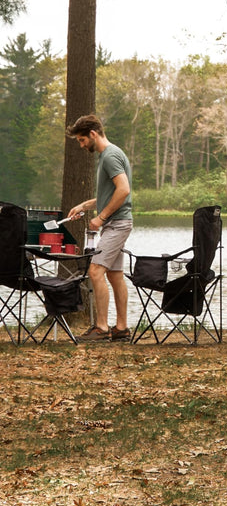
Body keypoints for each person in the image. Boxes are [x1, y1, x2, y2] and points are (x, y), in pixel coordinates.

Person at [65, 114, 134, 343]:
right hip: (118, 223)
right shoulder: (112, 154)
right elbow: (111, 192)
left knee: (95, 272)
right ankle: (121, 328)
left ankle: (102, 327)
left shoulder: (110, 156)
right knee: (114, 275)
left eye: (83, 140)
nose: (83, 145)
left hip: (116, 223)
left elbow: (123, 190)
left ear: (93, 134)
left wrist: (101, 218)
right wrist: (86, 205)